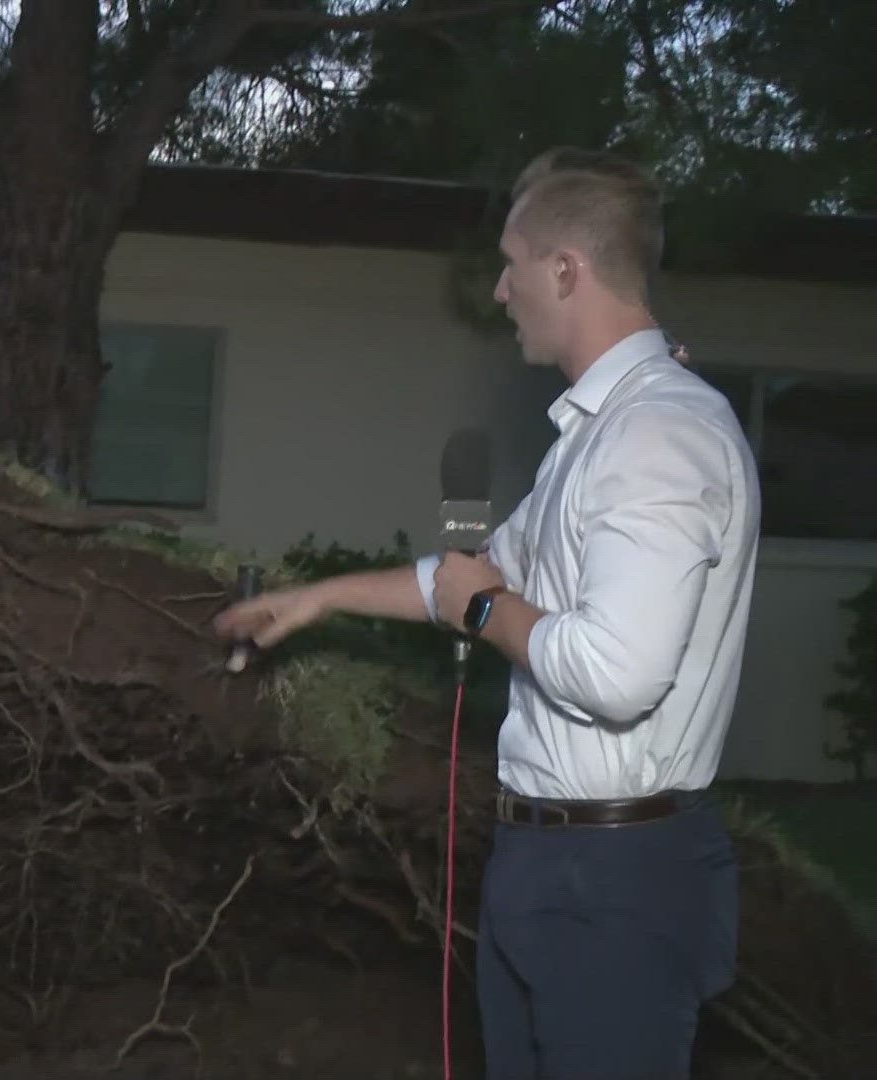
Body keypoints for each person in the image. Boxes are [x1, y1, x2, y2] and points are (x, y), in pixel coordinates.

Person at [214, 147, 761, 1080]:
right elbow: (466, 578)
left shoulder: (658, 434)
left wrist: (488, 606)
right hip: (550, 865)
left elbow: (615, 671)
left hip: (616, 881)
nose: (500, 289)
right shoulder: (592, 437)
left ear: (566, 270)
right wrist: (317, 600)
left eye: (513, 263)